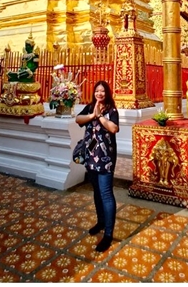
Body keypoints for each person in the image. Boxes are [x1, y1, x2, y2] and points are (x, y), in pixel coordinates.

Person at [75, 80, 119, 253]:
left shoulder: (111, 110)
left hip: (106, 158)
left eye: (102, 91)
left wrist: (100, 116)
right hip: (91, 156)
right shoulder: (90, 107)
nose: (99, 94)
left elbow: (114, 128)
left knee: (106, 193)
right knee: (96, 191)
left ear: (107, 93)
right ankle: (101, 221)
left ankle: (108, 234)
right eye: (97, 91)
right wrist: (92, 115)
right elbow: (78, 119)